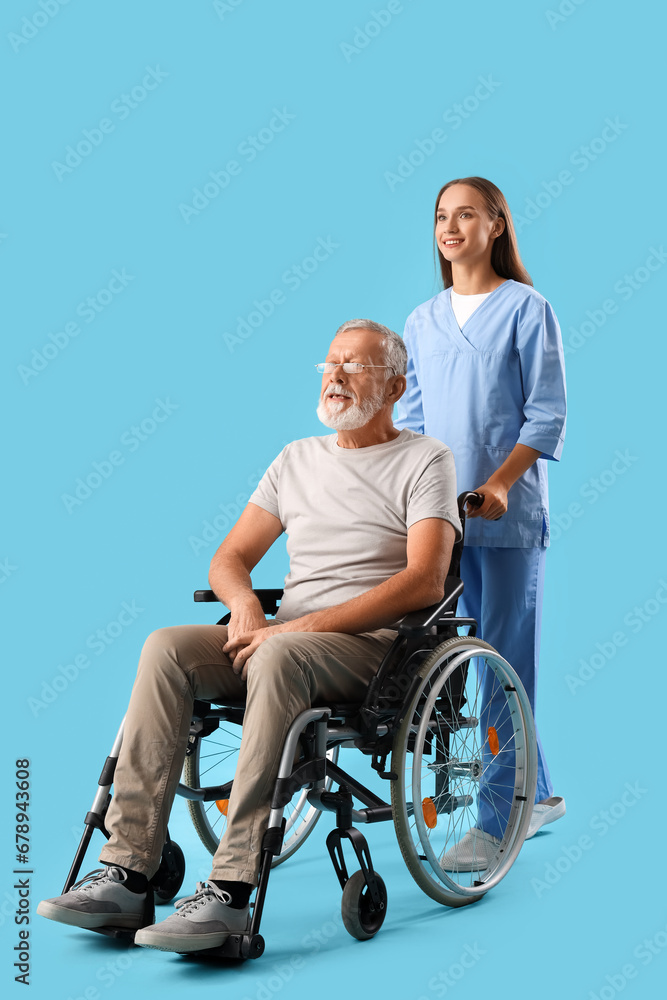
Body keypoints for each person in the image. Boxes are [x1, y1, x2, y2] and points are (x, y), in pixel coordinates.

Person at [38, 319, 461, 954]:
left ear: (396, 385)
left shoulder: (426, 459)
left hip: (375, 648)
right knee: (167, 647)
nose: (336, 375)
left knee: (281, 653)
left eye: (356, 366)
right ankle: (127, 872)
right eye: (329, 364)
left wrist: (302, 626)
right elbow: (231, 557)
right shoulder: (296, 458)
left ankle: (231, 891)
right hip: (282, 642)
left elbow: (426, 580)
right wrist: (242, 608)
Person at [395, 176, 567, 862]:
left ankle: (499, 817)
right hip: (435, 524)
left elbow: (545, 412)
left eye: (465, 214)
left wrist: (497, 484)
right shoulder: (420, 320)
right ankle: (538, 791)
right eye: (441, 215)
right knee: (439, 661)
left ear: (495, 225)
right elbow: (408, 422)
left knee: (499, 666)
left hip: (503, 521)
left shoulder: (527, 309)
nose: (450, 226)